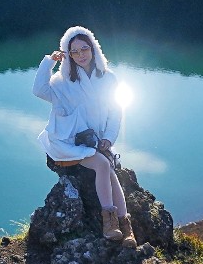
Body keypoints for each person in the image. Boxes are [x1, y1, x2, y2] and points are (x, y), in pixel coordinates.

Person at [32, 26, 133, 245]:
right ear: (67, 54)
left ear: (93, 48)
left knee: (111, 171)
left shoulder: (108, 78)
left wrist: (108, 137)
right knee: (103, 165)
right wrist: (49, 62)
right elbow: (39, 90)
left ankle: (126, 227)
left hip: (93, 141)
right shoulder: (62, 81)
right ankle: (109, 222)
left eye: (84, 49)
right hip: (67, 142)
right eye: (74, 51)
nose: (80, 55)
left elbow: (116, 111)